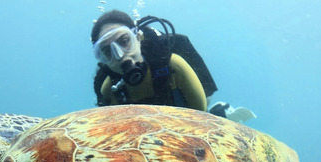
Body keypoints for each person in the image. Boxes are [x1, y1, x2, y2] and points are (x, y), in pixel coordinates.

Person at [91, 10, 255, 122]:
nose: (120, 55)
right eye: (107, 51)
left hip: (188, 115)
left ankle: (221, 114)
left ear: (138, 37)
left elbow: (199, 118)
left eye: (124, 41)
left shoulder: (173, 64)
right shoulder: (109, 89)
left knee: (206, 117)